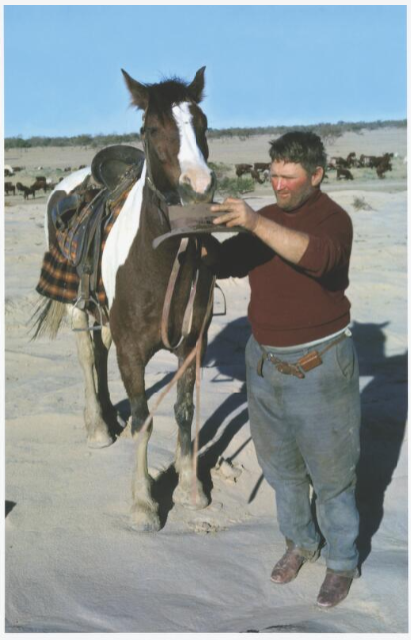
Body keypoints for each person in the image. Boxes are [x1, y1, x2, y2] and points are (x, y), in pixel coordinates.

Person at [204, 131, 361, 609]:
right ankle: (300, 543)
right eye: (272, 175)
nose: (278, 185)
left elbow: (317, 257)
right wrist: (191, 231)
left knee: (332, 476)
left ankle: (341, 562)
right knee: (282, 471)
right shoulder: (265, 218)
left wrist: (253, 221)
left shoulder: (335, 221)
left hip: (321, 367)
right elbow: (222, 262)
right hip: (265, 364)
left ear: (316, 174)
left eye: (288, 176)